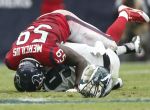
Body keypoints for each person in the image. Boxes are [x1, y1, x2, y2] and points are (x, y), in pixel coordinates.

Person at [5, 5, 149, 91]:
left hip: (62, 20)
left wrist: (78, 86)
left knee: (109, 43)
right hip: (44, 27)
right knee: (82, 55)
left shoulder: (46, 53)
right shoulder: (11, 59)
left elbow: (79, 60)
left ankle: (125, 13)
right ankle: (129, 47)